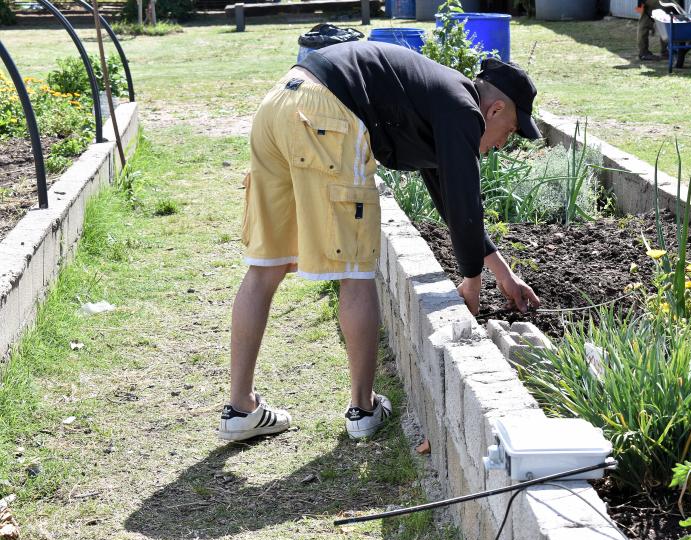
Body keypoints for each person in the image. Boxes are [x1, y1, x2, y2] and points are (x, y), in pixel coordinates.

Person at [217, 41, 541, 443]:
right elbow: (465, 202)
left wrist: (502, 274)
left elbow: (452, 202)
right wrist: (471, 283)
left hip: (280, 100)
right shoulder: (463, 111)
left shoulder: (437, 97)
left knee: (266, 267)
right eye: (509, 131)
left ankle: (239, 408)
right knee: (356, 270)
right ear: (495, 110)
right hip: (327, 112)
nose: (502, 143)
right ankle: (363, 407)